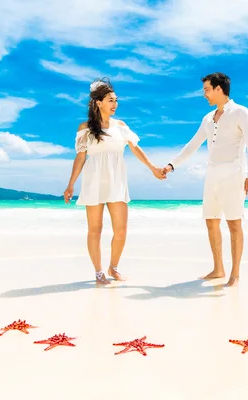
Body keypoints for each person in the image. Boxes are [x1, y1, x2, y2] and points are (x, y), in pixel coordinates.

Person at [162, 72, 248, 287]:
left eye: (207, 89)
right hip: (212, 174)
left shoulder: (240, 112)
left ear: (218, 89)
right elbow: (193, 144)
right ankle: (218, 269)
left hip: (234, 173)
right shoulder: (208, 118)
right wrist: (171, 165)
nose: (204, 94)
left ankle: (234, 273)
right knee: (211, 221)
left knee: (234, 223)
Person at [64, 78, 165, 285]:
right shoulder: (86, 128)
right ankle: (99, 272)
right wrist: (71, 184)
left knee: (121, 230)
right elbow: (81, 157)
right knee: (95, 230)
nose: (115, 104)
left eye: (116, 100)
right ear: (98, 103)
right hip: (94, 181)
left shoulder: (121, 126)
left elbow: (135, 148)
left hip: (117, 181)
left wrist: (153, 168)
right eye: (110, 100)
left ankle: (114, 267)